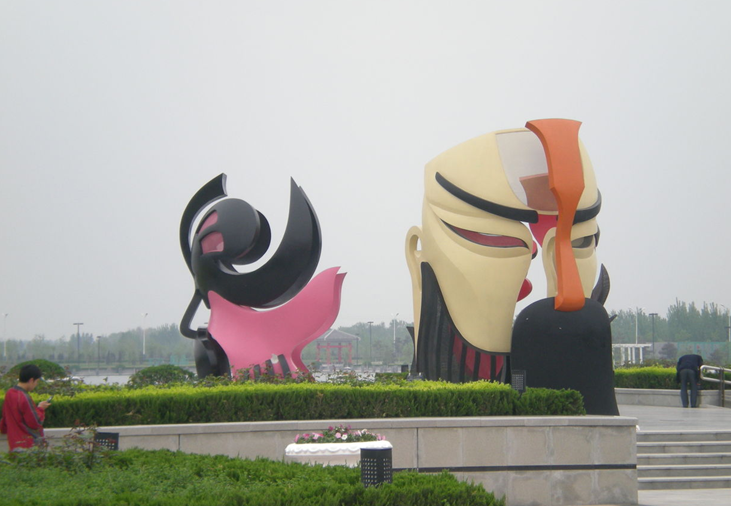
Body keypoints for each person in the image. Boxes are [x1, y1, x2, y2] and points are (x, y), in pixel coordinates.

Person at [0, 364, 51, 451]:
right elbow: (35, 422)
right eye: (37, 381)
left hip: (14, 443)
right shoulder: (24, 397)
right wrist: (41, 408)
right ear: (31, 380)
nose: (36, 384)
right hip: (28, 445)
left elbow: (5, 418)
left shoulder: (9, 393)